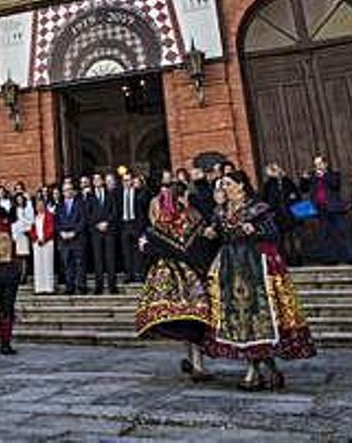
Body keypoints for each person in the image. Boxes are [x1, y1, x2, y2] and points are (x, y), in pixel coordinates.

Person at [202, 172, 316, 390]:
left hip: (255, 266)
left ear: (241, 186)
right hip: (231, 268)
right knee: (241, 320)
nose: (224, 187)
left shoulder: (258, 208)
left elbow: (274, 231)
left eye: (228, 183)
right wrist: (210, 232)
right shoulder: (220, 211)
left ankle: (253, 373)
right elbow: (217, 233)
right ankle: (271, 371)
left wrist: (256, 229)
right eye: (222, 184)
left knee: (258, 317)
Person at [135, 183, 213, 382]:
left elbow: (152, 243)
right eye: (185, 196)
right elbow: (196, 245)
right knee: (192, 319)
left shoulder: (167, 221)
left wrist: (147, 245)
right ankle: (197, 363)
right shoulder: (191, 218)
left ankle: (193, 360)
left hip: (171, 274)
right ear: (180, 198)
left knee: (187, 318)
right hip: (189, 275)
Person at [302, 155, 352, 265]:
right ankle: (330, 258)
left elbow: (335, 185)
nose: (318, 167)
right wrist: (304, 178)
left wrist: (324, 176)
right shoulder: (313, 177)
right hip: (321, 209)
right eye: (316, 165)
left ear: (326, 164)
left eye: (320, 164)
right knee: (325, 234)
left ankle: (348, 257)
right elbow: (304, 189)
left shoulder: (333, 174)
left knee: (341, 232)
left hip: (334, 208)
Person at [0, 205, 21, 355]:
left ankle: (3, 341)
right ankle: (6, 343)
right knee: (9, 307)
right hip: (10, 270)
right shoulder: (11, 227)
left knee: (2, 307)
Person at [260, 163, 303, 267]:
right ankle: (287, 261)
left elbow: (297, 194)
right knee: (282, 240)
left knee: (295, 238)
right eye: (271, 170)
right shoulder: (268, 185)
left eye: (276, 169)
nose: (275, 172)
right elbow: (264, 200)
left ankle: (298, 259)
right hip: (278, 216)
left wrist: (293, 197)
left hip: (292, 214)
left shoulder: (287, 182)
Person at [88, 174, 119, 295]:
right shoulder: (89, 197)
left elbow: (114, 211)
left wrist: (107, 223)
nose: (97, 181)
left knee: (110, 258)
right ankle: (99, 286)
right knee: (98, 259)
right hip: (96, 232)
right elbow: (87, 214)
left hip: (109, 230)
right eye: (94, 180)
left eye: (99, 179)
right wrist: (97, 224)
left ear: (102, 181)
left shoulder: (110, 194)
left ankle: (112, 286)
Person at [55, 180, 86, 295]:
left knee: (79, 263)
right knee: (67, 264)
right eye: (65, 190)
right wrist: (62, 233)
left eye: (69, 190)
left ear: (73, 191)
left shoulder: (80, 203)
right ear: (62, 193)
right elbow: (56, 222)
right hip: (64, 240)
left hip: (77, 239)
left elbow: (82, 220)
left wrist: (74, 232)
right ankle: (70, 286)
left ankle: (81, 286)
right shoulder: (59, 206)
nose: (67, 192)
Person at [118, 170, 148, 284]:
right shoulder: (118, 194)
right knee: (126, 252)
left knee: (138, 251)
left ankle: (139, 274)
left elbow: (143, 210)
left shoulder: (139, 192)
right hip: (124, 225)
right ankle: (128, 274)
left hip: (136, 224)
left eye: (129, 180)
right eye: (124, 180)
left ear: (132, 181)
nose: (127, 182)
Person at [29, 197, 55, 294]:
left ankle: (49, 287)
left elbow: (51, 228)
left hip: (47, 243)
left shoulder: (49, 216)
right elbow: (32, 230)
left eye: (41, 205)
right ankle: (39, 287)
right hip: (37, 243)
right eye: (37, 205)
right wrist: (36, 239)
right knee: (38, 265)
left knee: (48, 264)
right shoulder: (35, 217)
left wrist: (45, 238)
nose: (39, 207)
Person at [12, 193, 34, 284]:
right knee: (17, 257)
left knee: (24, 256)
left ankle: (24, 275)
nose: (19, 201)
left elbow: (31, 221)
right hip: (16, 235)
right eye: (18, 199)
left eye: (21, 199)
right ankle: (18, 274)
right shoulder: (13, 210)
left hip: (24, 235)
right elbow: (11, 221)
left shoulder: (27, 209)